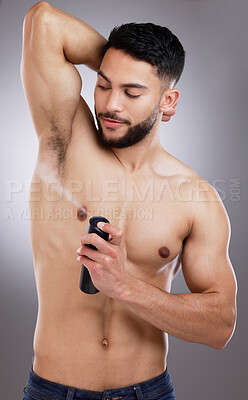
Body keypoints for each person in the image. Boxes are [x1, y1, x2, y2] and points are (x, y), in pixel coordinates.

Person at [20, 2, 237, 399]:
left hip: (148, 391)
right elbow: (44, 21)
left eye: (132, 92)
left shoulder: (196, 198)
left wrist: (125, 286)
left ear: (167, 102)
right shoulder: (66, 137)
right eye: (103, 85)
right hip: (53, 390)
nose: (110, 105)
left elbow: (220, 326)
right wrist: (124, 64)